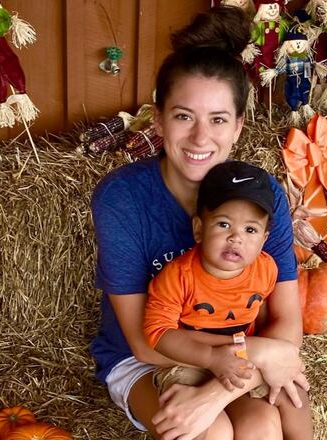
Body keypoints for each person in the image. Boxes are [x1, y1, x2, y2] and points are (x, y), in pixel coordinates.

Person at [91, 6, 309, 440]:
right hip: (147, 356)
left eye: (218, 119)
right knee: (210, 434)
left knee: (264, 424)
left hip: (238, 351)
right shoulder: (122, 199)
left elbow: (288, 322)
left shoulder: (261, 194)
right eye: (183, 116)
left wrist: (218, 394)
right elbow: (143, 341)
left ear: (239, 127)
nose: (200, 138)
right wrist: (261, 355)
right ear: (158, 118)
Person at [143, 161, 313, 440]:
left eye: (250, 230)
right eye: (224, 224)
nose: (236, 238)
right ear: (199, 229)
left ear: (264, 240)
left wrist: (261, 357)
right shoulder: (177, 276)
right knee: (204, 431)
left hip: (243, 358)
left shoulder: (266, 268)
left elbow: (259, 314)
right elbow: (159, 333)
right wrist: (211, 357)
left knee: (293, 392)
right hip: (191, 362)